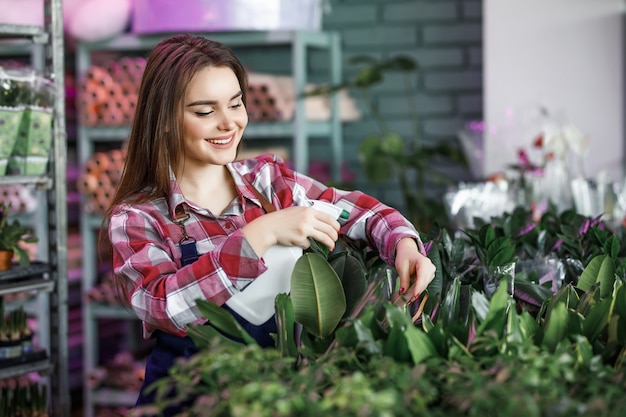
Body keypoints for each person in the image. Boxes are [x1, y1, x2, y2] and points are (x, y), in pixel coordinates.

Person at [103, 33, 436, 412]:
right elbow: (162, 306)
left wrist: (404, 245)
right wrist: (257, 236)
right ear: (163, 120)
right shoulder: (139, 218)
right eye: (204, 111)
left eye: (235, 103)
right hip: (188, 400)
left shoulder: (270, 183)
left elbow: (358, 212)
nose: (229, 123)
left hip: (274, 396)